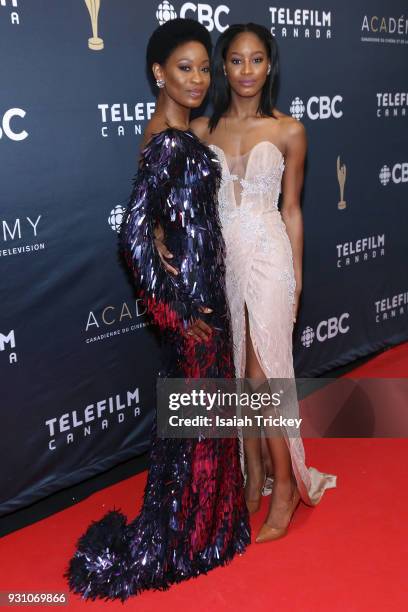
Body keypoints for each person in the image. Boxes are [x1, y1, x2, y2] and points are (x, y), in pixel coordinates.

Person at [64, 19, 250, 602]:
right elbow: (133, 238)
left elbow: (163, 226)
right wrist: (174, 307)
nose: (196, 79)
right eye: (183, 69)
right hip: (195, 306)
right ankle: (191, 538)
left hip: (204, 297)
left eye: (201, 67)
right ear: (158, 74)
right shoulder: (169, 142)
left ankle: (208, 529)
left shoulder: (174, 134)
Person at [157, 23, 336, 544]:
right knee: (239, 375)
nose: (247, 71)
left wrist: (298, 280)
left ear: (269, 66)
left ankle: (284, 488)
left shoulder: (289, 130)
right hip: (223, 264)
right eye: (235, 60)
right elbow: (172, 190)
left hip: (271, 256)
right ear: (223, 66)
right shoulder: (203, 131)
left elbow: (293, 210)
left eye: (257, 60)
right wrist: (158, 233)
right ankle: (254, 474)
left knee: (262, 376)